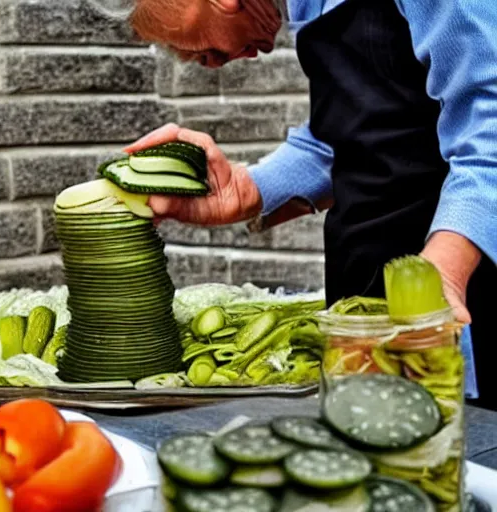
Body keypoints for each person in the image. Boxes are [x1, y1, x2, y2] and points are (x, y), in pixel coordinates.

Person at [94, 0, 497, 410]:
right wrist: (246, 190)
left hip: (462, 312)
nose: (211, 65)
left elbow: (490, 127)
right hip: (366, 307)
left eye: (201, 51)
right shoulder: (311, 7)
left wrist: (445, 271)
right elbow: (343, 138)